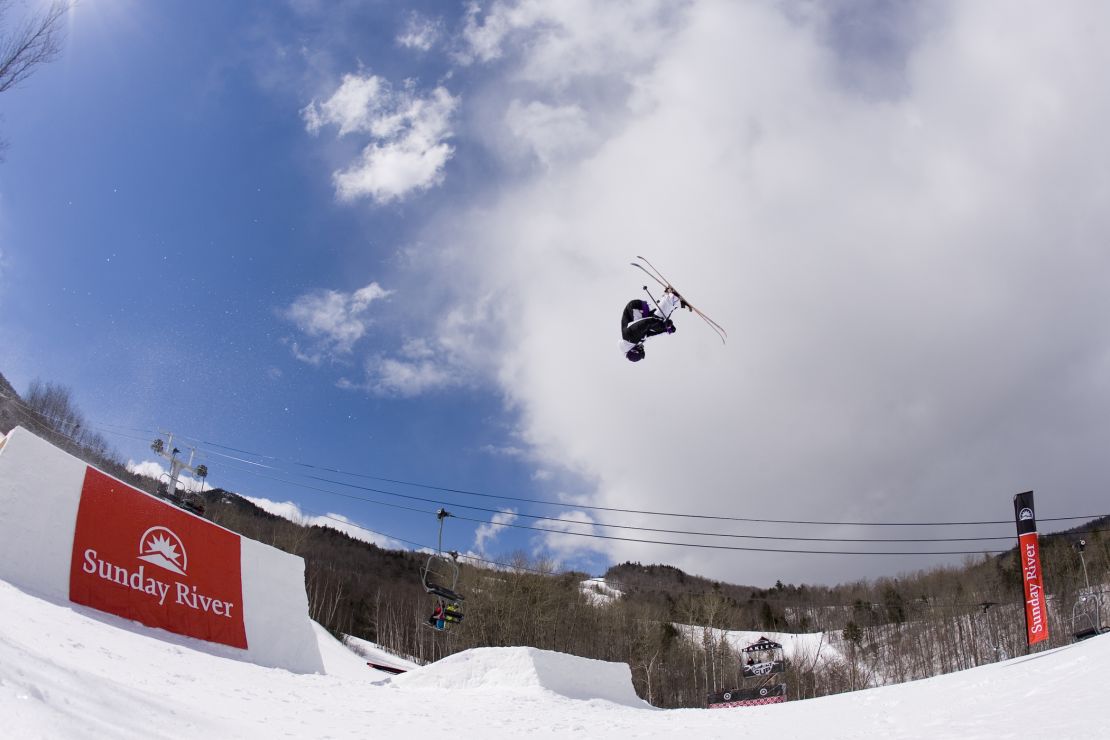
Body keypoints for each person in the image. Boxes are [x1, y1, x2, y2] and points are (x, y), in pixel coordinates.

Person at [619, 287, 686, 362]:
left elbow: (646, 323)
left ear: (634, 350)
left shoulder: (630, 337)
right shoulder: (633, 341)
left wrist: (663, 325)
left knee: (658, 321)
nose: (642, 347)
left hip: (636, 307)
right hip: (639, 312)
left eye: (641, 349)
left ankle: (672, 299)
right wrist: (666, 330)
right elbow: (649, 334)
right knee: (658, 323)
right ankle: (667, 298)